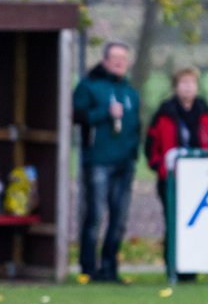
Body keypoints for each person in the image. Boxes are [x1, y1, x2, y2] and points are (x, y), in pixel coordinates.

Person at [73, 41, 141, 283]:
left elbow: (135, 128)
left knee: (119, 218)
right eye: (115, 58)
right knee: (95, 215)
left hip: (125, 164)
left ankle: (110, 267)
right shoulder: (89, 87)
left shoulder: (131, 92)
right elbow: (76, 116)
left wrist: (133, 155)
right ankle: (88, 268)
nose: (120, 62)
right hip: (99, 162)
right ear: (105, 61)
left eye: (124, 58)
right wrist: (104, 114)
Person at [145, 67, 208, 280]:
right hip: (172, 179)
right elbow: (152, 143)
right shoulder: (165, 112)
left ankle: (193, 268)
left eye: (191, 82)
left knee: (197, 222)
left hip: (200, 180)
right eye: (183, 82)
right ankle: (174, 267)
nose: (188, 87)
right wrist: (160, 166)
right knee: (174, 222)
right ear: (176, 86)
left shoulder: (204, 111)